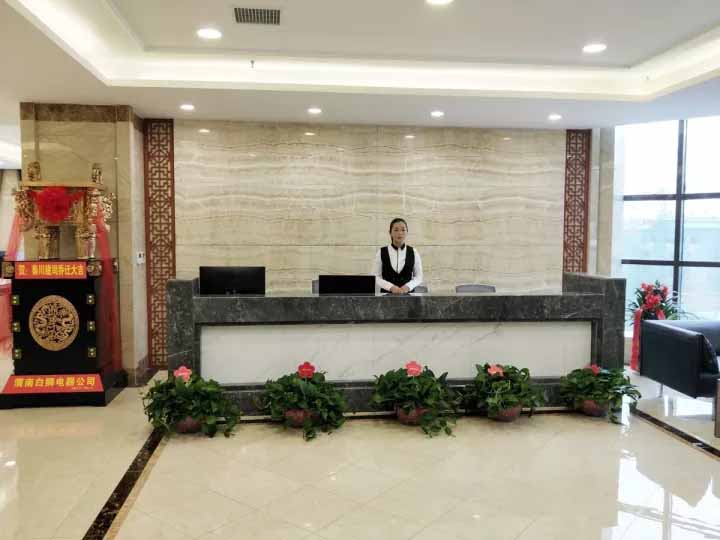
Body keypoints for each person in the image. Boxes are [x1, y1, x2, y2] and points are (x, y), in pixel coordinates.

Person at [373, 218, 424, 294]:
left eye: (403, 230)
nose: (400, 233)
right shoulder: (381, 252)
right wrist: (390, 287)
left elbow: (419, 277)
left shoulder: (414, 252)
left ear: (407, 232)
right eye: (396, 230)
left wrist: (408, 286)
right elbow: (376, 276)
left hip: (408, 296)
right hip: (386, 296)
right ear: (390, 232)